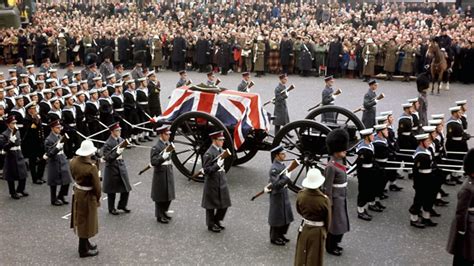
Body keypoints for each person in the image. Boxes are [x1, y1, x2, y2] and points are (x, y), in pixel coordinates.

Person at [70, 140, 100, 258]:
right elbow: (97, 187)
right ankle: (83, 250)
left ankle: (86, 243)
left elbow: (74, 175)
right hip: (88, 195)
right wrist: (97, 197)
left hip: (78, 192)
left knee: (81, 219)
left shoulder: (73, 161)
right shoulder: (91, 168)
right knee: (86, 221)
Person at [294, 168, 330, 266]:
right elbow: (328, 219)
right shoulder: (323, 200)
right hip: (318, 230)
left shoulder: (300, 195)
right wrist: (325, 231)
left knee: (301, 254)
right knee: (314, 258)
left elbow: (299, 209)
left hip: (305, 226)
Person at [322, 129, 349, 256]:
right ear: (336, 151)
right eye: (342, 149)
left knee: (340, 223)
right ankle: (330, 246)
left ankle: (336, 242)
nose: (345, 151)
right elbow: (327, 187)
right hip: (335, 200)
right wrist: (329, 204)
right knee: (334, 225)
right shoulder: (331, 167)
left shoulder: (340, 162)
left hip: (341, 197)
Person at [446, 148, 474, 265]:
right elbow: (461, 213)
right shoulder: (467, 188)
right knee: (465, 256)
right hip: (467, 227)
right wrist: (462, 231)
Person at [201, 130, 231, 233]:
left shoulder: (220, 150)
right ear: (214, 140)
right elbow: (207, 170)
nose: (222, 141)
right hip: (212, 181)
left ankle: (217, 220)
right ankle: (211, 224)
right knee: (211, 205)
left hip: (221, 179)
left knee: (225, 203)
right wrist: (217, 165)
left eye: (223, 140)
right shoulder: (209, 154)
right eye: (220, 140)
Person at [266, 145, 294, 246]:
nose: (285, 155)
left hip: (284, 193)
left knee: (285, 216)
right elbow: (276, 185)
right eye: (282, 154)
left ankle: (281, 234)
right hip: (277, 195)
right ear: (276, 156)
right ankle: (274, 237)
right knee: (277, 217)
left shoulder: (281, 165)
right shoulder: (274, 169)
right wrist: (287, 178)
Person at [409, 133, 438, 229]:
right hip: (422, 179)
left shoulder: (426, 150)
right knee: (419, 199)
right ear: (422, 143)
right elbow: (415, 171)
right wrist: (416, 183)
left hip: (429, 177)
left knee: (428, 198)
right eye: (427, 141)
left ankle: (426, 217)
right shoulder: (419, 154)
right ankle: (413, 219)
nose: (429, 142)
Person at [102, 123, 132, 215]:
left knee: (126, 187)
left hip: (121, 164)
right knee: (112, 190)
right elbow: (107, 158)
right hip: (112, 167)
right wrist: (117, 152)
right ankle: (111, 208)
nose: (119, 132)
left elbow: (124, 143)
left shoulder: (120, 139)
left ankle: (122, 205)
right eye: (117, 130)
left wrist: (126, 144)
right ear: (112, 132)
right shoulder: (108, 144)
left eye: (119, 130)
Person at [150, 125, 175, 224]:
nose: (168, 136)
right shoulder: (156, 147)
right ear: (161, 135)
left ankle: (164, 212)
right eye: (166, 134)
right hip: (160, 172)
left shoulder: (168, 144)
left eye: (169, 134)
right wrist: (162, 157)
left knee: (168, 194)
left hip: (168, 170)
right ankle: (159, 215)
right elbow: (153, 162)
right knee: (160, 195)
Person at [44, 120, 72, 206]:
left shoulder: (60, 136)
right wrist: (56, 148)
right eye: (57, 127)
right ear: (52, 128)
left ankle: (61, 196)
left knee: (66, 179)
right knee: (54, 181)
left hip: (62, 158)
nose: (59, 129)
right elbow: (49, 153)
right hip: (54, 160)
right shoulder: (48, 139)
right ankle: (53, 199)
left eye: (60, 127)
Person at [0, 115, 29, 199]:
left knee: (23, 172)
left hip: (18, 152)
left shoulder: (17, 131)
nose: (14, 124)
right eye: (13, 123)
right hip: (10, 154)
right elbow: (4, 147)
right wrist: (10, 142)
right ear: (8, 124)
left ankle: (21, 189)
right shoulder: (4, 134)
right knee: (11, 175)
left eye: (15, 123)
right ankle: (12, 192)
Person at [356, 128, 377, 221]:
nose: (373, 137)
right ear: (367, 137)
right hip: (364, 172)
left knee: (368, 190)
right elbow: (359, 164)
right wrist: (361, 176)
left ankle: (364, 208)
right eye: (371, 135)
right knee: (363, 191)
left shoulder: (370, 145)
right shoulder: (363, 149)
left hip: (370, 170)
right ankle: (360, 211)